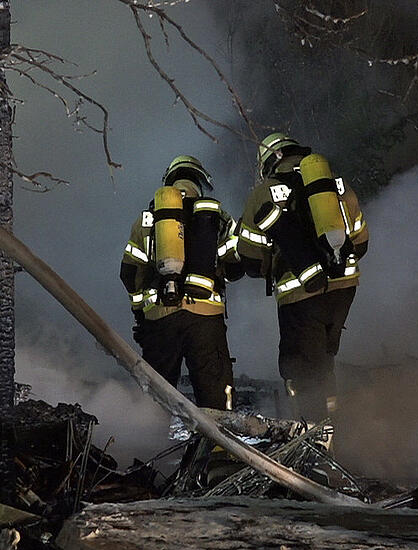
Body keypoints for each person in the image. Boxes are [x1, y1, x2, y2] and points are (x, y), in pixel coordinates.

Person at [236, 133, 368, 420]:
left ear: (270, 162)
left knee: (300, 370)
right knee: (323, 362)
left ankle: (311, 437)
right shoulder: (336, 185)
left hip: (301, 294)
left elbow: (248, 256)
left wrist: (274, 261)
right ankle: (333, 426)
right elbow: (361, 243)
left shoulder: (264, 192)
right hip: (345, 289)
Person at [120, 155, 242, 410]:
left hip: (160, 318)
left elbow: (130, 274)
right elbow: (235, 265)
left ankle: (146, 442)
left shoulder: (147, 219)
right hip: (206, 318)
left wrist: (141, 315)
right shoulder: (219, 216)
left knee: (156, 393)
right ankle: (219, 447)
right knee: (215, 391)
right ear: (199, 181)